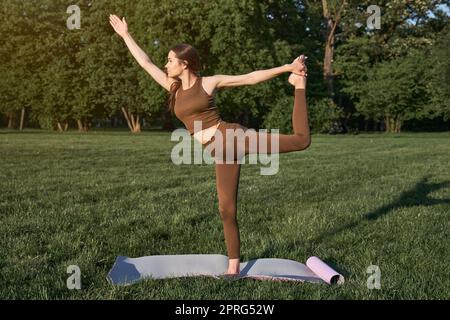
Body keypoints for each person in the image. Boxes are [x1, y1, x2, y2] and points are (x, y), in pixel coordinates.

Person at [109, 14, 310, 276]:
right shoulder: (174, 88)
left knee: (301, 141)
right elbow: (145, 63)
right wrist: (126, 35)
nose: (166, 64)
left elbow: (249, 78)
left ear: (185, 63)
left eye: (170, 60)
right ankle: (233, 266)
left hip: (232, 137)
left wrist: (287, 68)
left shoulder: (209, 83)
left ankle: (299, 85)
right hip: (220, 150)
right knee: (226, 209)